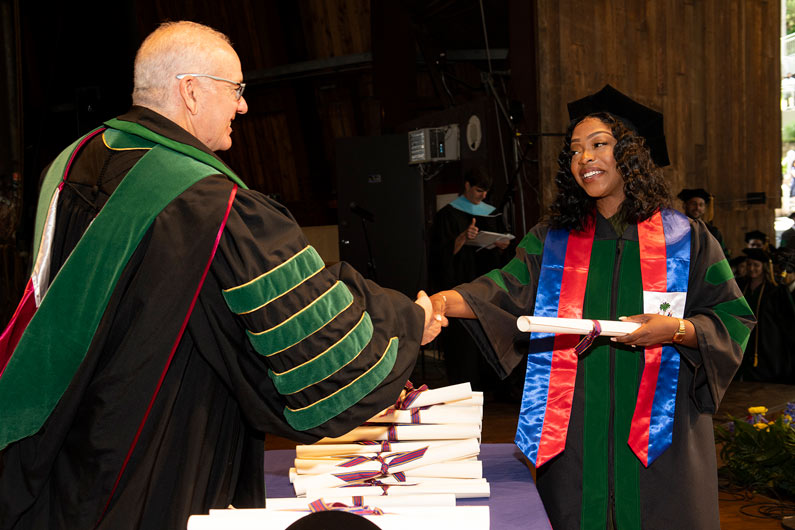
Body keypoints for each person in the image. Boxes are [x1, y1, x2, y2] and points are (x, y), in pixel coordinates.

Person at [0, 21, 439, 529]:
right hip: (154, 454)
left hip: (61, 445)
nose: (243, 106)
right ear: (189, 91)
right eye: (236, 90)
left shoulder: (71, 163)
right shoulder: (210, 206)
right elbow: (320, 353)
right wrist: (409, 318)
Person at [425, 84, 754, 529]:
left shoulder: (685, 237)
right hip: (575, 426)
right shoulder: (552, 239)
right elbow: (503, 289)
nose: (584, 158)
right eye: (576, 150)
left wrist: (676, 331)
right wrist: (442, 301)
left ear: (632, 155)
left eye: (599, 144)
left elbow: (732, 317)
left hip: (662, 431)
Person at [429, 167, 511, 391]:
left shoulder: (492, 213)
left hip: (487, 283)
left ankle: (494, 386)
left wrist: (502, 245)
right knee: (464, 343)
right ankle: (464, 383)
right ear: (466, 186)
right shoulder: (447, 215)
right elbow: (440, 254)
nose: (482, 196)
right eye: (478, 191)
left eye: (486, 192)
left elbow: (504, 251)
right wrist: (464, 237)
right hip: (460, 282)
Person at [734, 248, 795, 383]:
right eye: (749, 264)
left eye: (756, 265)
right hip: (744, 340)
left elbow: (788, 321)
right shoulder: (740, 286)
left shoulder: (775, 290)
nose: (751, 268)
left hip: (768, 343)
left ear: (764, 267)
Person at [677, 187, 726, 252]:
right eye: (693, 204)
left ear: (704, 209)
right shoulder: (676, 229)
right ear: (685, 205)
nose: (697, 208)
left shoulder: (713, 232)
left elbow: (722, 256)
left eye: (701, 205)